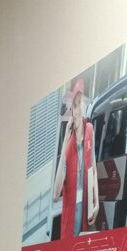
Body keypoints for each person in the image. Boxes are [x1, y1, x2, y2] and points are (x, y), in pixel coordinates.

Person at [53, 78, 100, 237]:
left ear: (84, 105)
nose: (78, 109)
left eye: (80, 103)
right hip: (71, 219)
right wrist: (65, 143)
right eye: (74, 105)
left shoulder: (90, 130)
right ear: (72, 111)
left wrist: (97, 203)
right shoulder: (68, 145)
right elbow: (56, 194)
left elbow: (93, 169)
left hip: (87, 210)